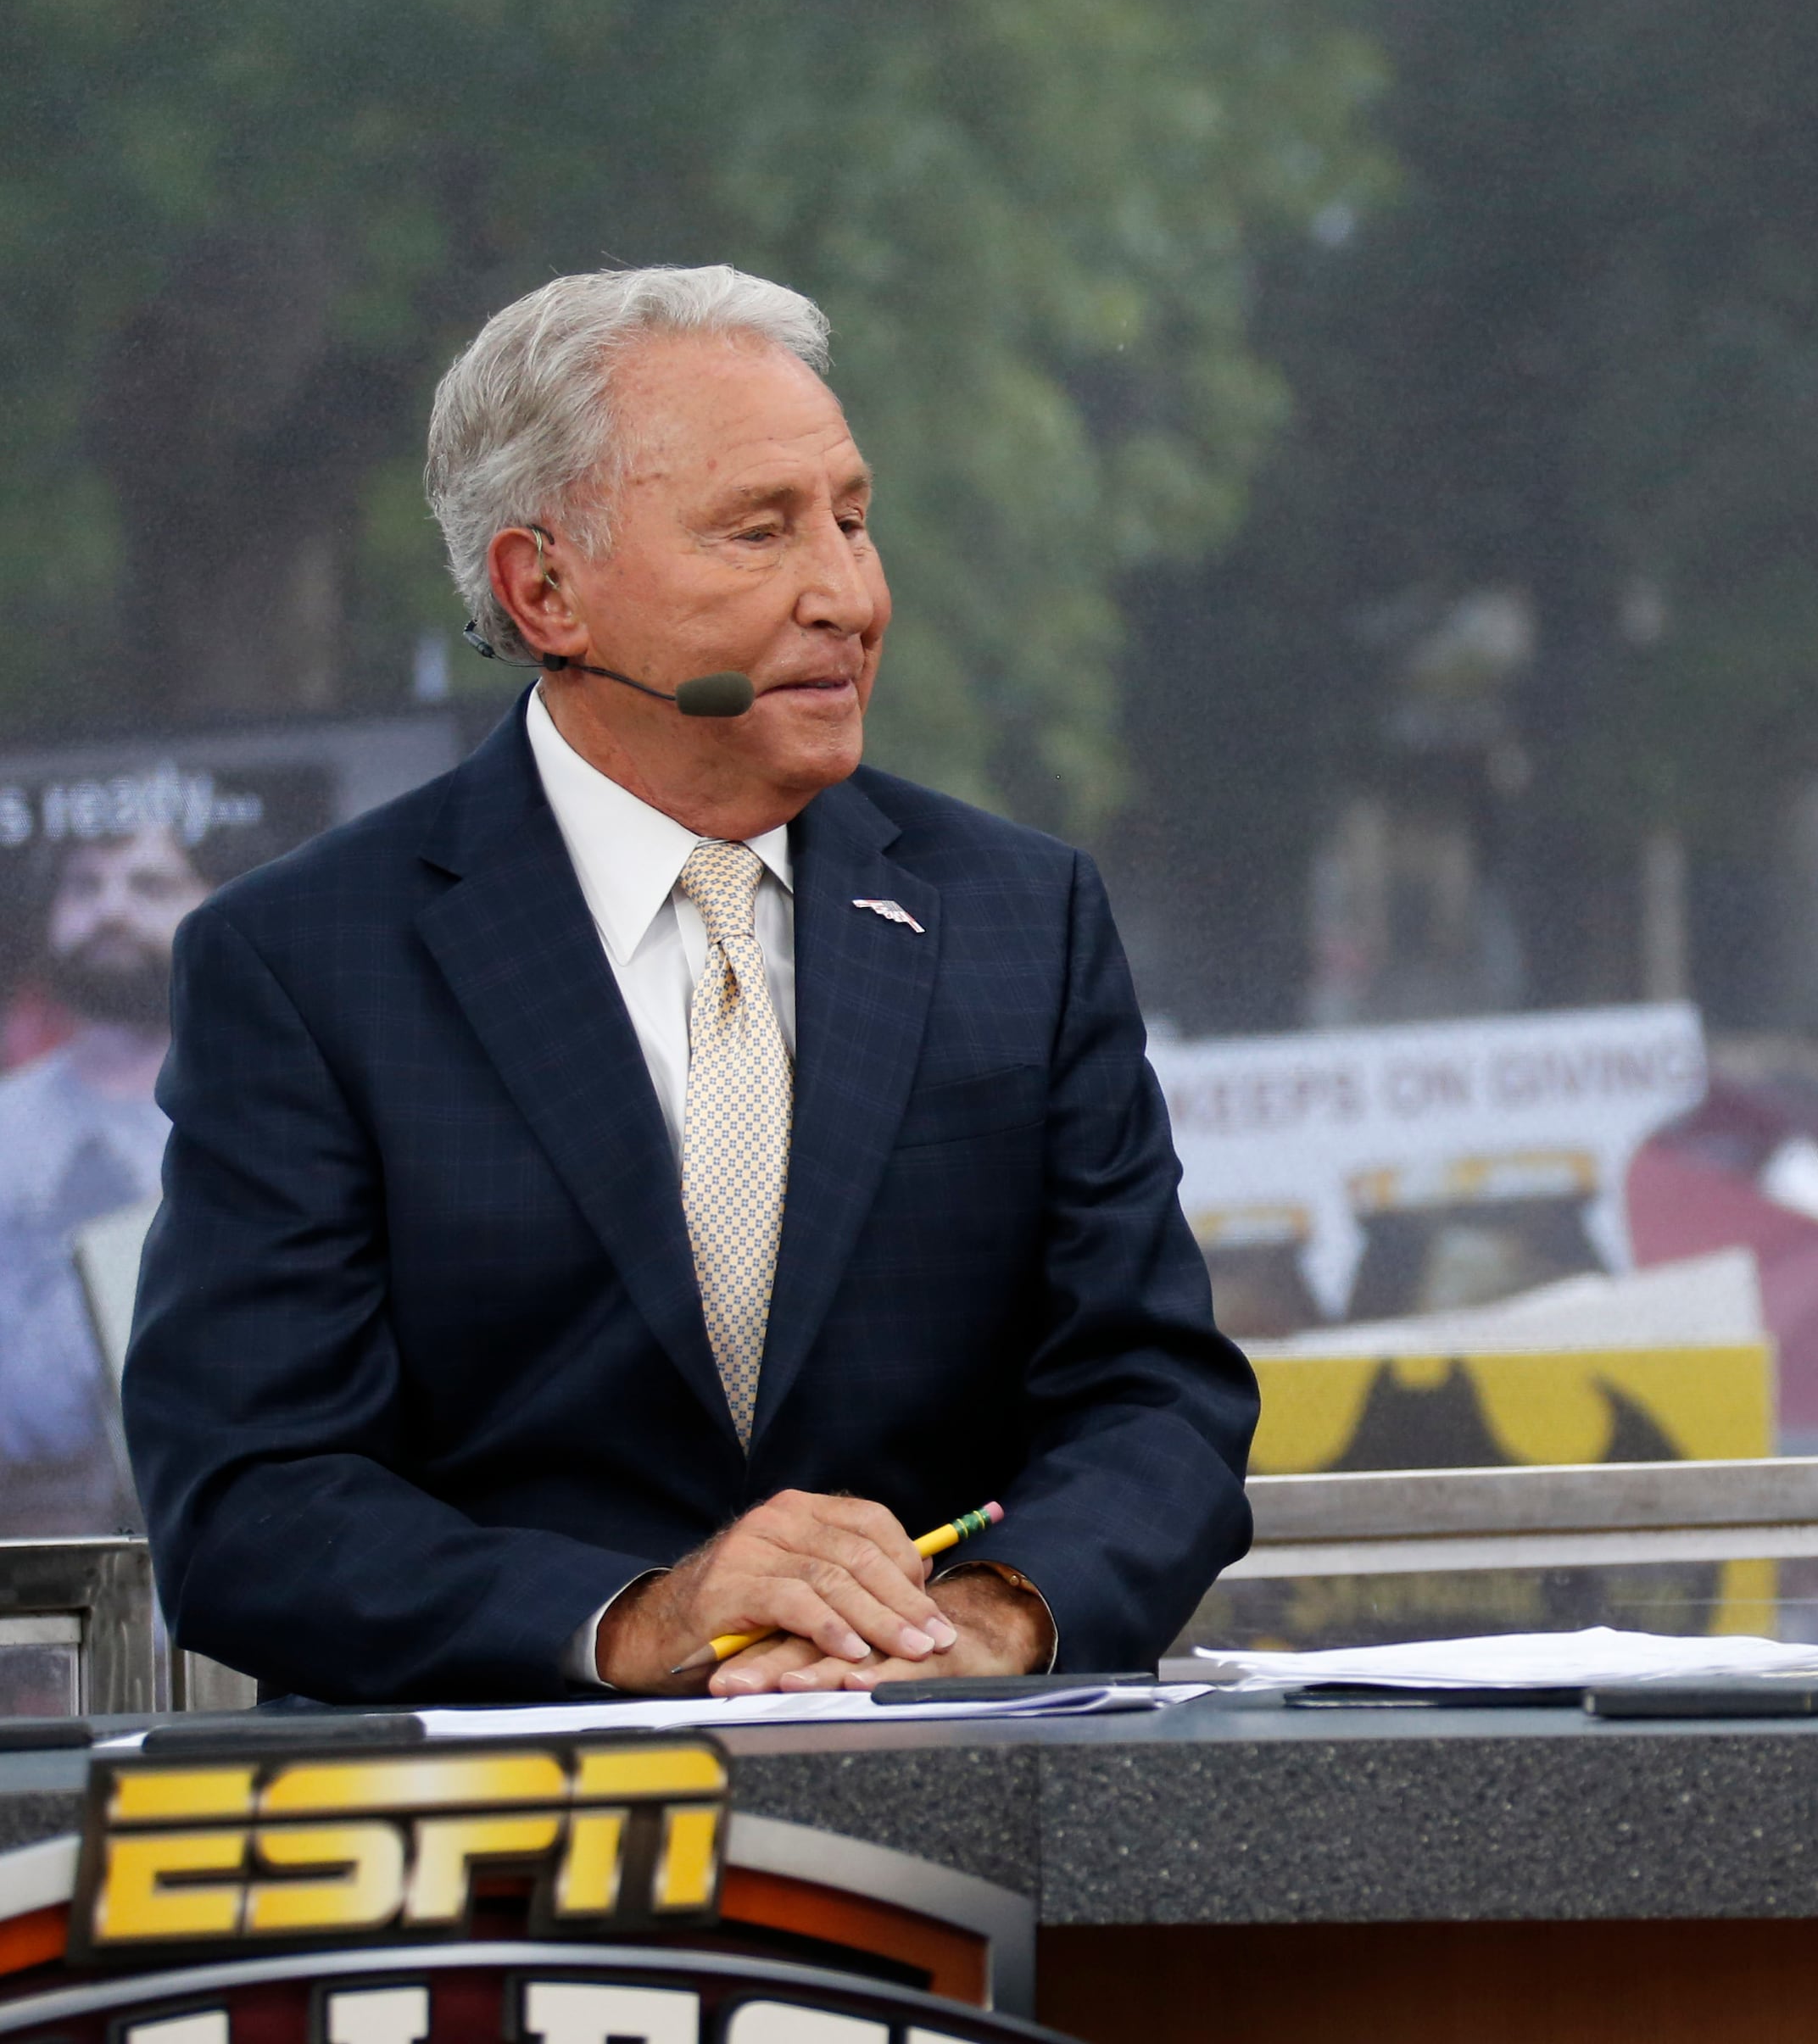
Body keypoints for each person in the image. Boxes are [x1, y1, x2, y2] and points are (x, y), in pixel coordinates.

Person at [126, 265, 1257, 1703]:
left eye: (852, 519)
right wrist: (647, 1619)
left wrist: (989, 1620)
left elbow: (1156, 1402)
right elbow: (252, 1501)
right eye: (758, 532)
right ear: (545, 590)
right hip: (510, 1841)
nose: (847, 595)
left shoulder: (1020, 917)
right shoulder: (301, 963)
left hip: (970, 1784)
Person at [0, 823, 212, 1534]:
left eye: (150, 885)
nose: (111, 909)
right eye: (84, 886)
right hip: (37, 1557)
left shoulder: (276, 1114)